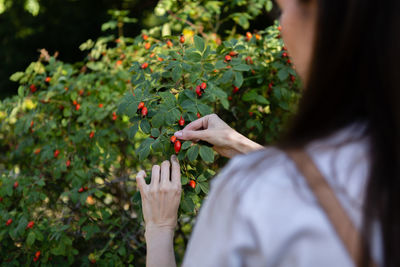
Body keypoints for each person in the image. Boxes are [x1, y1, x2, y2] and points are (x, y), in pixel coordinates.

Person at [135, 0, 400, 266]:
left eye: (283, 10)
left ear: (322, 21)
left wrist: (159, 228)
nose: (281, 25)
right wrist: (240, 145)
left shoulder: (251, 192)